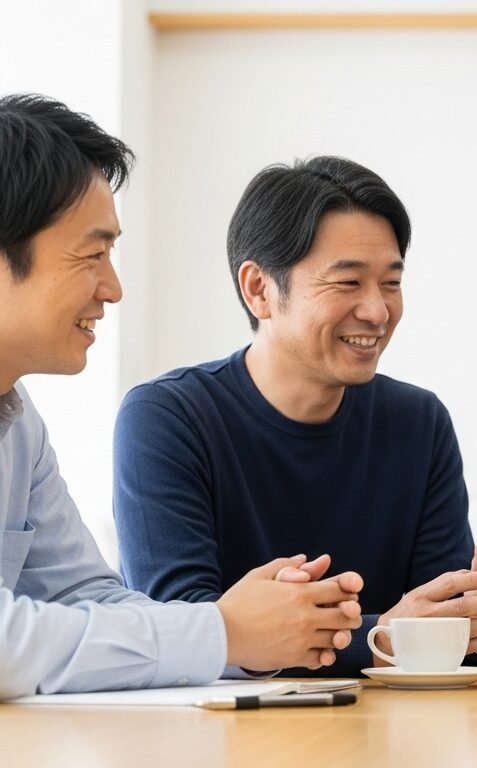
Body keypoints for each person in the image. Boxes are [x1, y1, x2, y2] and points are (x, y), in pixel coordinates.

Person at [113, 156, 477, 677]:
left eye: (391, 283)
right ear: (259, 289)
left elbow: (438, 622)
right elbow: (184, 631)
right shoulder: (167, 418)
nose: (377, 311)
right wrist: (384, 638)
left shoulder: (418, 422)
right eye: (348, 283)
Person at [0, 94, 364, 698]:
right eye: (92, 255)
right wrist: (221, 631)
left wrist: (257, 631)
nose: (112, 288)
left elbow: (87, 597)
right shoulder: (168, 413)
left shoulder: (18, 421)